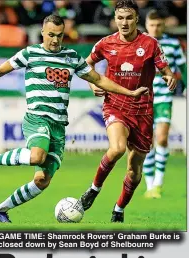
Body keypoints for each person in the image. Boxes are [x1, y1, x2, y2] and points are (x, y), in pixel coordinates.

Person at [0, 14, 147, 223]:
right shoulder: (29, 53)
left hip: (59, 126)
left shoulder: (71, 57)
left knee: (41, 180)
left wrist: (128, 93)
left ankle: (0, 209)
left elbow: (98, 78)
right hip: (37, 118)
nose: (55, 40)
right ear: (42, 33)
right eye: (51, 35)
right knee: (37, 156)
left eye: (59, 35)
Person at [80, 0, 177, 223]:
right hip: (115, 105)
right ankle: (94, 189)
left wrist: (169, 76)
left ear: (136, 19)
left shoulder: (150, 44)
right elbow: (85, 67)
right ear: (115, 19)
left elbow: (165, 70)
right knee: (117, 149)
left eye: (129, 18)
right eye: (120, 18)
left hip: (143, 110)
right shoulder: (105, 43)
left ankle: (119, 209)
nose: (124, 22)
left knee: (134, 171)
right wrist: (93, 84)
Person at [143, 10, 186, 199]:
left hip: (163, 98)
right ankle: (149, 185)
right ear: (146, 25)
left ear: (164, 25)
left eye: (159, 25)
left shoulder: (173, 44)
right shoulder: (139, 43)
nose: (155, 28)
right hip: (142, 99)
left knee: (161, 139)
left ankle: (158, 185)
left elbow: (183, 68)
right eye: (152, 25)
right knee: (145, 143)